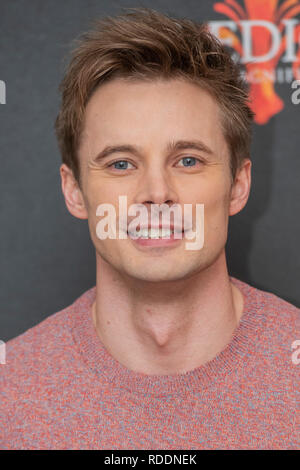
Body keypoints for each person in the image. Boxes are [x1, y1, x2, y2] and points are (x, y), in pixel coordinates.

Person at [0, 7, 299, 450]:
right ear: (75, 191)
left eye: (188, 160)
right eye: (121, 163)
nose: (156, 193)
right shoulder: (10, 394)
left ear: (238, 186)